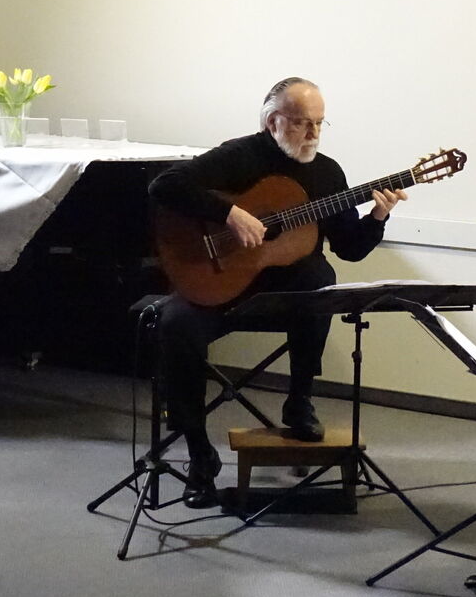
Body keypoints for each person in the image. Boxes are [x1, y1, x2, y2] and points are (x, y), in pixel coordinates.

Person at [147, 77, 407, 509]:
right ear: (272, 121)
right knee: (175, 325)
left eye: (321, 124)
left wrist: (378, 216)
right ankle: (199, 455)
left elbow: (350, 248)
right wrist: (229, 213)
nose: (314, 134)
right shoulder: (239, 156)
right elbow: (164, 186)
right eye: (303, 123)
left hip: (287, 299)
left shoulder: (327, 172)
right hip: (222, 288)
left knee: (320, 282)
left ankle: (299, 402)